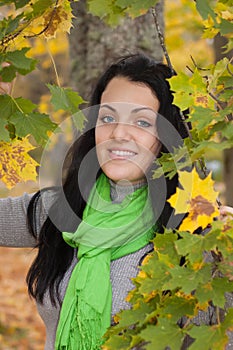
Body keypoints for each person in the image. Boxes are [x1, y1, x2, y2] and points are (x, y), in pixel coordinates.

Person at [0, 53, 232, 350]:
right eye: (107, 118)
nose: (119, 133)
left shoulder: (198, 233)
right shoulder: (61, 209)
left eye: (142, 122)